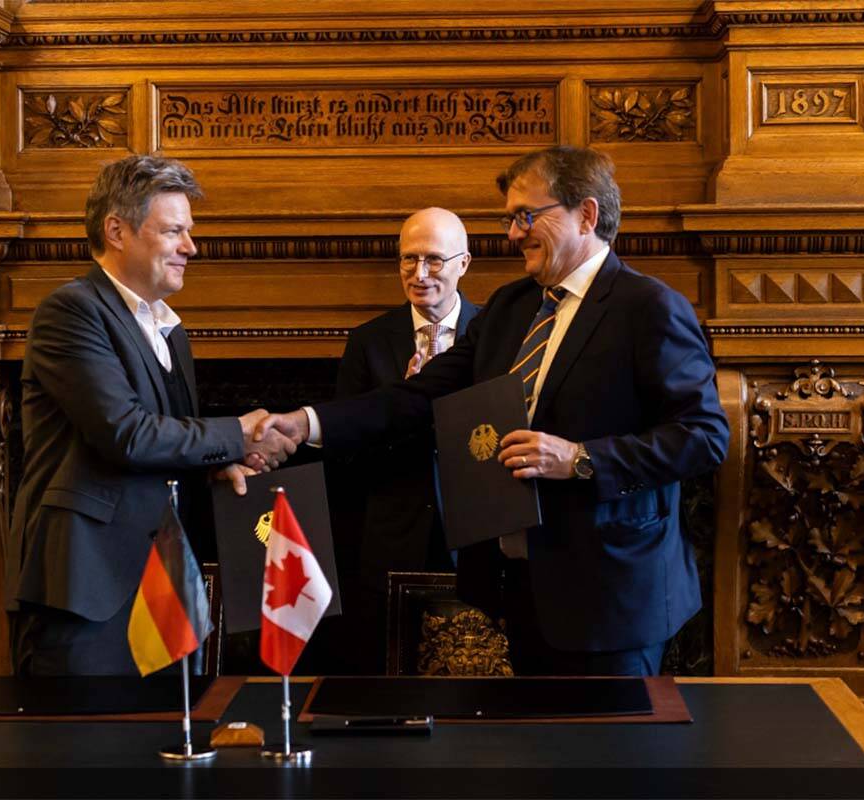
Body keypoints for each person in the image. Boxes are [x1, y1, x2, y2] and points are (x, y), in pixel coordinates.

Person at [256, 146, 729, 677]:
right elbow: (418, 396)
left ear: (587, 214)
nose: (513, 233)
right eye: (509, 219)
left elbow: (704, 436)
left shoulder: (649, 307)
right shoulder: (511, 307)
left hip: (611, 597)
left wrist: (579, 458)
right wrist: (304, 423)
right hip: (520, 594)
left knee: (606, 759)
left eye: (527, 216)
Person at [6, 155, 294, 676]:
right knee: (79, 751)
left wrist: (215, 464)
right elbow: (126, 434)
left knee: (165, 743)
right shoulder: (70, 311)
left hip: (164, 586)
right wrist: (238, 432)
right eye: (174, 231)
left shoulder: (169, 329)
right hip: (88, 588)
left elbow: (166, 440)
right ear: (117, 230)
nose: (191, 247)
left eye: (190, 231)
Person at [330, 207, 479, 673]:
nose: (419, 274)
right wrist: (400, 405)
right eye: (408, 259)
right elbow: (345, 452)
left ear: (463, 264)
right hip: (391, 541)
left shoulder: (497, 334)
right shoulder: (369, 342)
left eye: (434, 260)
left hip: (474, 538)